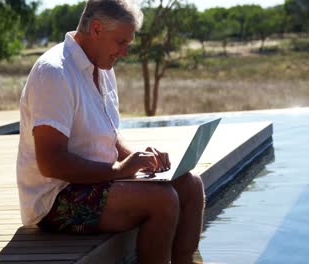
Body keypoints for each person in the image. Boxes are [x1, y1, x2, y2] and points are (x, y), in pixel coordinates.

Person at [16, 0, 205, 263]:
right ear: (96, 29)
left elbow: (109, 133)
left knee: (190, 184)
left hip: (98, 182)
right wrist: (118, 171)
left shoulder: (103, 68)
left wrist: (138, 157)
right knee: (162, 200)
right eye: (121, 42)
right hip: (55, 200)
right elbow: (50, 163)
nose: (125, 52)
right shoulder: (54, 73)